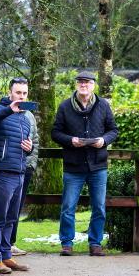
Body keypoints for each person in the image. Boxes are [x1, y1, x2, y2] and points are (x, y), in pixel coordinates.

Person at [51, 71, 118, 257]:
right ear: (76, 85)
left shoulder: (103, 105)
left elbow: (113, 130)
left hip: (98, 165)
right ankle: (66, 244)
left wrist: (103, 141)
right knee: (68, 207)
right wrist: (70, 140)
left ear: (93, 85)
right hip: (73, 166)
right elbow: (55, 133)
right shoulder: (65, 106)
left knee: (99, 207)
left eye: (87, 82)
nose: (83, 85)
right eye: (80, 82)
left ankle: (95, 243)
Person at [0, 77, 34, 274]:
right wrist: (8, 109)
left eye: (24, 93)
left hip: (20, 172)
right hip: (3, 171)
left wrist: (29, 148)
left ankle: (6, 255)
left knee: (12, 217)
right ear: (10, 93)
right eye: (18, 92)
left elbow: (26, 146)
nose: (21, 96)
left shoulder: (25, 117)